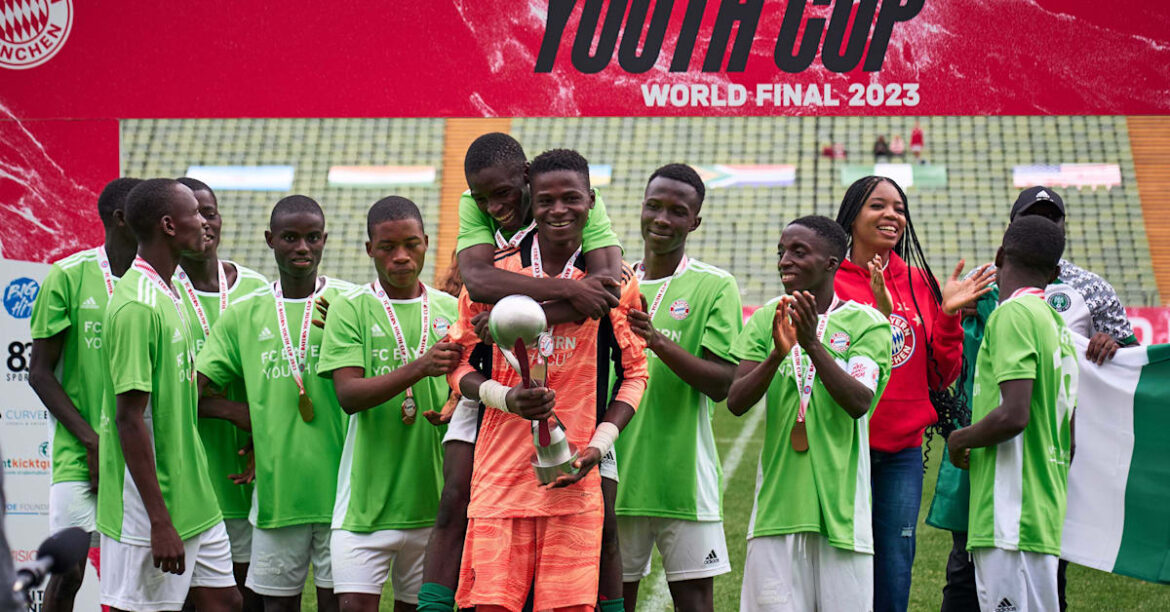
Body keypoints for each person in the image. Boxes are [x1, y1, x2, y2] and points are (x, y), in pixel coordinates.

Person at [417, 133, 629, 612]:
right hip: (496, 389)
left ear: (527, 181)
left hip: (578, 396)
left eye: (506, 194)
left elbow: (608, 286)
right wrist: (564, 294)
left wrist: (516, 318)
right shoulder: (478, 207)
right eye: (484, 197)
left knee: (603, 519)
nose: (495, 206)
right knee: (456, 499)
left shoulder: (577, 202)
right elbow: (479, 280)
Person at [928, 186, 1138, 612]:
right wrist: (949, 313)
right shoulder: (1015, 302)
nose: (1042, 222)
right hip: (1030, 470)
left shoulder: (1027, 307)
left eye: (1050, 216)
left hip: (1011, 486)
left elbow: (1016, 412)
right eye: (1031, 216)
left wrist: (958, 439)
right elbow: (948, 364)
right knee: (968, 575)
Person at [832, 175, 993, 612]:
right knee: (840, 561)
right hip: (844, 448)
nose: (891, 216)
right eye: (877, 206)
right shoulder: (833, 280)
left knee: (896, 566)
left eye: (899, 209)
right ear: (851, 217)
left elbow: (941, 378)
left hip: (903, 453)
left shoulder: (920, 281)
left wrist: (946, 316)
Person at [728, 215, 892, 611]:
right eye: (782, 251)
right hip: (776, 513)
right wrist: (777, 355)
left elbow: (858, 402)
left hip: (842, 516)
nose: (785, 259)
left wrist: (812, 345)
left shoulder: (867, 323)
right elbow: (736, 401)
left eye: (799, 252)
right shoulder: (768, 318)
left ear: (832, 262)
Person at [195, 196, 350, 611]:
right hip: (279, 496)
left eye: (312, 238)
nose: (302, 248)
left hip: (347, 494)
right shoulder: (244, 314)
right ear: (270, 240)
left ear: (324, 241)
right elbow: (191, 391)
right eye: (290, 238)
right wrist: (240, 414)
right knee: (277, 608)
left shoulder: (350, 304)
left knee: (337, 604)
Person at [96, 178, 241, 611]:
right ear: (168, 225)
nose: (204, 222)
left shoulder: (169, 289)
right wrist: (160, 521)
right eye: (195, 213)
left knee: (227, 603)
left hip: (194, 495)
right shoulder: (137, 305)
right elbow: (129, 418)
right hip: (149, 507)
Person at [316, 196, 460, 611]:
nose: (401, 257)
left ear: (426, 243)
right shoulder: (351, 308)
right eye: (387, 247)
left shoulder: (450, 310)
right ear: (369, 249)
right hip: (364, 508)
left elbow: (464, 388)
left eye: (411, 245)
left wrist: (452, 401)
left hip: (433, 505)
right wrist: (419, 368)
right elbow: (348, 396)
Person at [617, 164, 741, 612]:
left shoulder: (715, 285)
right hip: (616, 475)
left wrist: (657, 340)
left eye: (677, 210)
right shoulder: (614, 284)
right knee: (612, 600)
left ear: (695, 221)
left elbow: (721, 384)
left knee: (694, 601)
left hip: (684, 480)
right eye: (654, 206)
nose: (662, 219)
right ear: (642, 208)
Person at [947, 215, 1078, 612]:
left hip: (1010, 515)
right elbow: (1069, 438)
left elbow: (1014, 415)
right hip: (1043, 508)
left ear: (1000, 256)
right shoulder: (1057, 324)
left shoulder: (1011, 315)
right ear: (1055, 273)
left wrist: (960, 438)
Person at [28, 176, 142, 611]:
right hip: (79, 452)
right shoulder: (68, 276)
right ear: (121, 219)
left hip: (137, 450)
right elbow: (39, 373)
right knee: (69, 570)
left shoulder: (158, 283)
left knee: (132, 577)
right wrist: (93, 441)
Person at [174, 177, 268, 611]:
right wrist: (229, 410)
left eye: (208, 212)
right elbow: (156, 393)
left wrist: (257, 431)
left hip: (246, 471)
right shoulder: (159, 292)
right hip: (187, 473)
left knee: (246, 596)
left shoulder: (257, 288)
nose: (203, 223)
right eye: (191, 214)